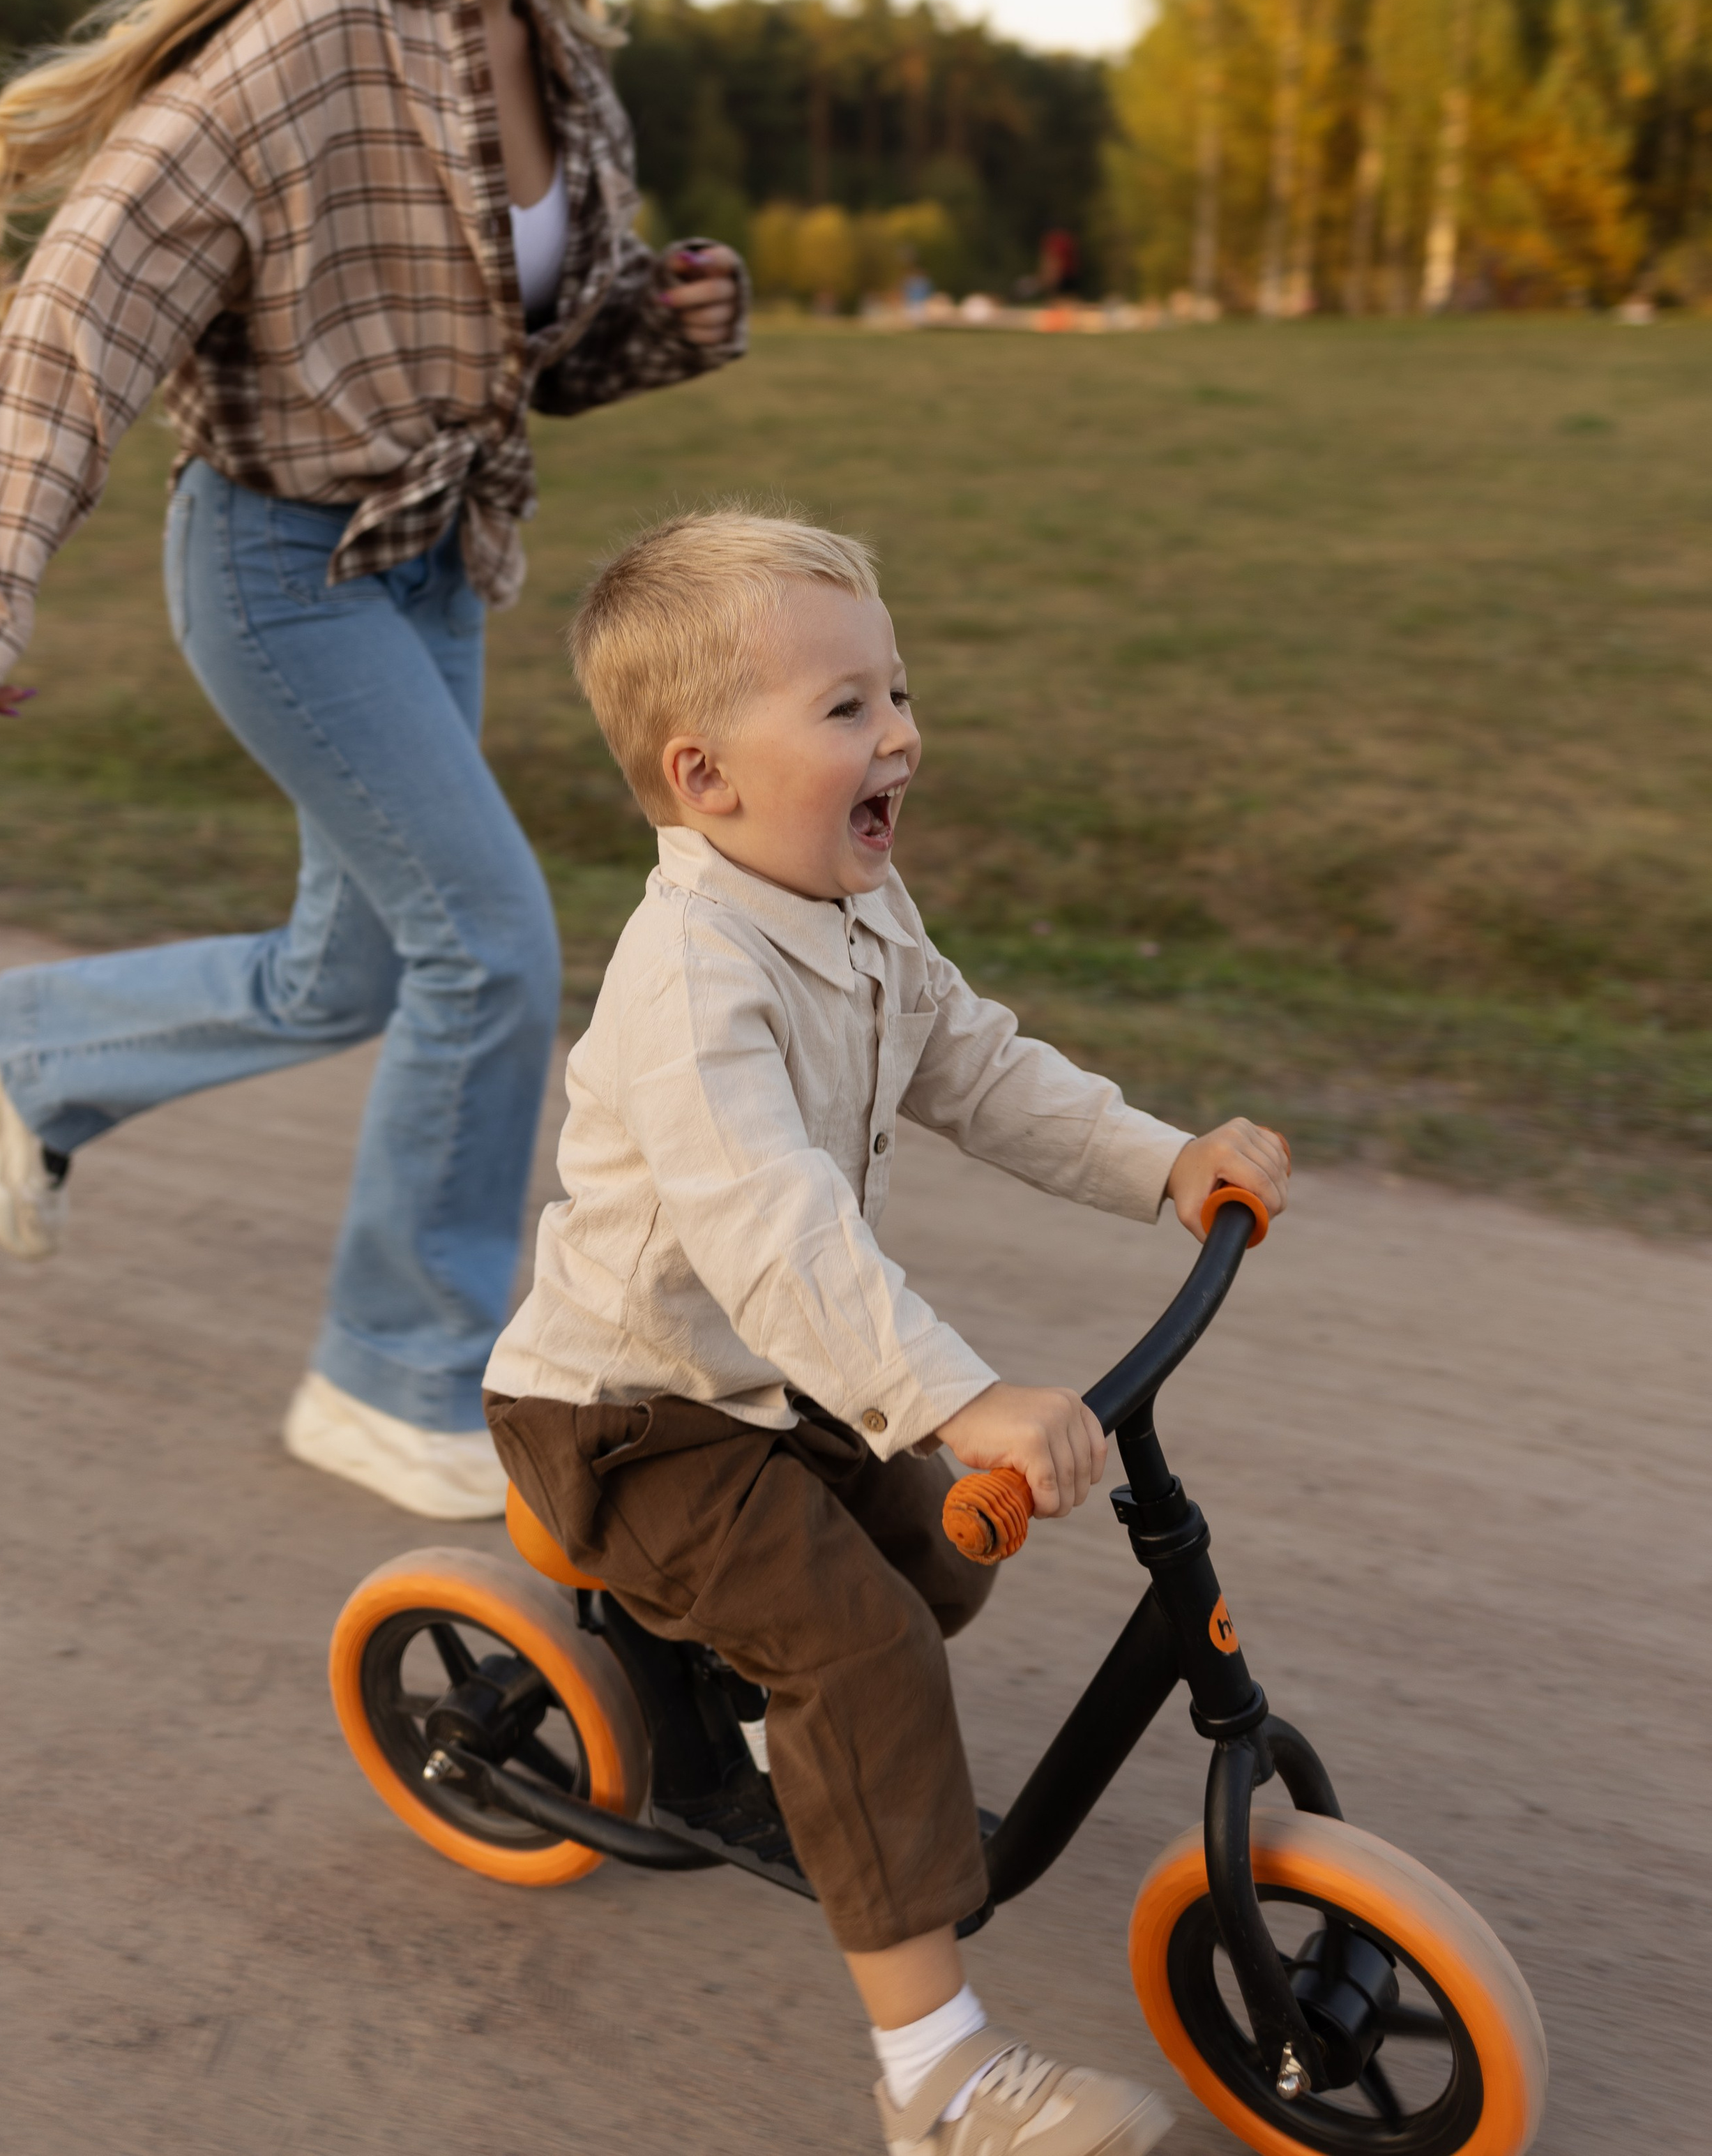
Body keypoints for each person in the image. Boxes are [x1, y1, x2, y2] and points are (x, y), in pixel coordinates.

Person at [0, 0, 747, 1520]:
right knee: (498, 949)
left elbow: (507, 357)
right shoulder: (315, 32)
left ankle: (29, 1057)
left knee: (355, 966)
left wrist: (659, 324)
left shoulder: (551, 57)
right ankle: (394, 1372)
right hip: (280, 566)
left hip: (430, 565)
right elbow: (91, 300)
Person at [482, 508, 1291, 2156]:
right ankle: (935, 2080)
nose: (902, 732)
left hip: (759, 1385)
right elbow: (770, 1232)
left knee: (941, 1556)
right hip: (630, 1417)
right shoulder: (689, 982)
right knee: (863, 1647)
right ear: (705, 777)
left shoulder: (853, 911)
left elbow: (973, 1065)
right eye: (845, 707)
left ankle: (798, 1746)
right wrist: (960, 1397)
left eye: (897, 691)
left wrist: (1166, 1166)